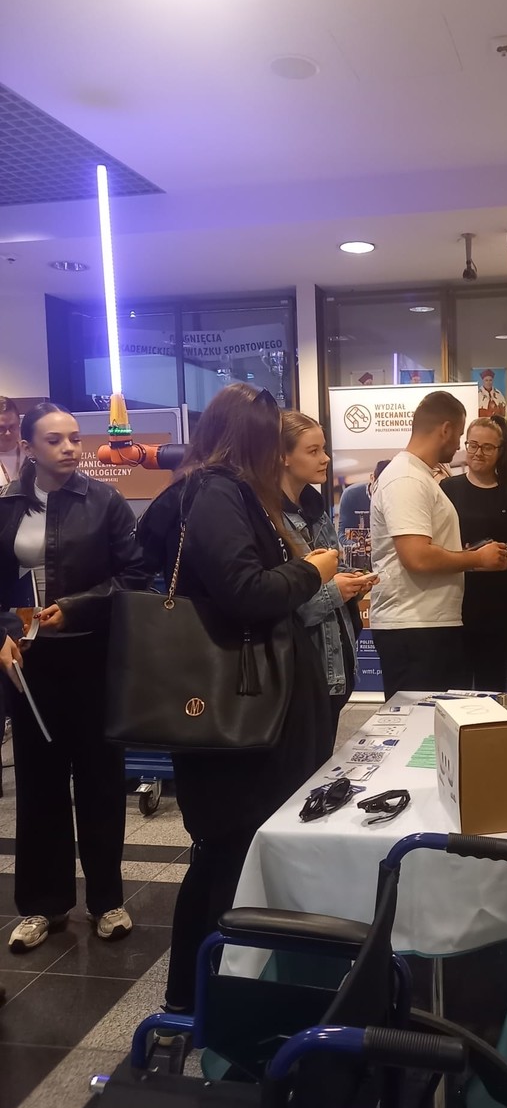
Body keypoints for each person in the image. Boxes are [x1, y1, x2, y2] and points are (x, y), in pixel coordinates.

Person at [138, 384, 339, 1013]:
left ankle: (208, 996)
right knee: (230, 857)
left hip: (246, 710)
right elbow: (245, 592)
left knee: (230, 856)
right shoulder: (217, 492)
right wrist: (313, 570)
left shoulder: (213, 491)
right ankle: (210, 1000)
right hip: (237, 717)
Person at [0, 403, 146, 953]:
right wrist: (1, 633)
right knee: (38, 786)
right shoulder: (7, 505)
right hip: (28, 662)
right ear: (28, 447)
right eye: (54, 440)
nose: (68, 448)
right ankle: (44, 905)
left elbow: (135, 574)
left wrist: (77, 607)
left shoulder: (103, 500)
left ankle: (107, 900)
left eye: (74, 438)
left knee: (100, 782)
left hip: (92, 656)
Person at [368, 390, 507, 698]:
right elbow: (417, 557)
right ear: (445, 429)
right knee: (417, 720)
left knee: (436, 720)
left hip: (427, 624)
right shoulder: (406, 478)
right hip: (414, 627)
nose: (459, 445)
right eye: (459, 436)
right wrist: (477, 559)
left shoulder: (418, 476)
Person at [281, 411, 377, 741]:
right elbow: (287, 604)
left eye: (323, 449)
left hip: (335, 669)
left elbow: (333, 569)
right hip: (302, 675)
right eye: (313, 451)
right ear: (283, 457)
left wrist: (354, 579)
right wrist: (336, 590)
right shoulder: (271, 520)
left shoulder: (316, 509)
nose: (324, 459)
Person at [441, 417, 507, 691]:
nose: (478, 453)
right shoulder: (448, 489)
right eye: (473, 445)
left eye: (487, 447)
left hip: (502, 601)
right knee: (456, 681)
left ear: (500, 451)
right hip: (457, 599)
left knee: (493, 677)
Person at [338, 459, 391, 570]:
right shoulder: (351, 495)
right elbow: (342, 535)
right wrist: (360, 546)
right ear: (372, 478)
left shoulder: (396, 498)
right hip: (359, 563)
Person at [0, 397, 22, 484]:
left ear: (19, 423)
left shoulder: (32, 455)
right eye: (1, 428)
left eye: (12, 427)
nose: (8, 433)